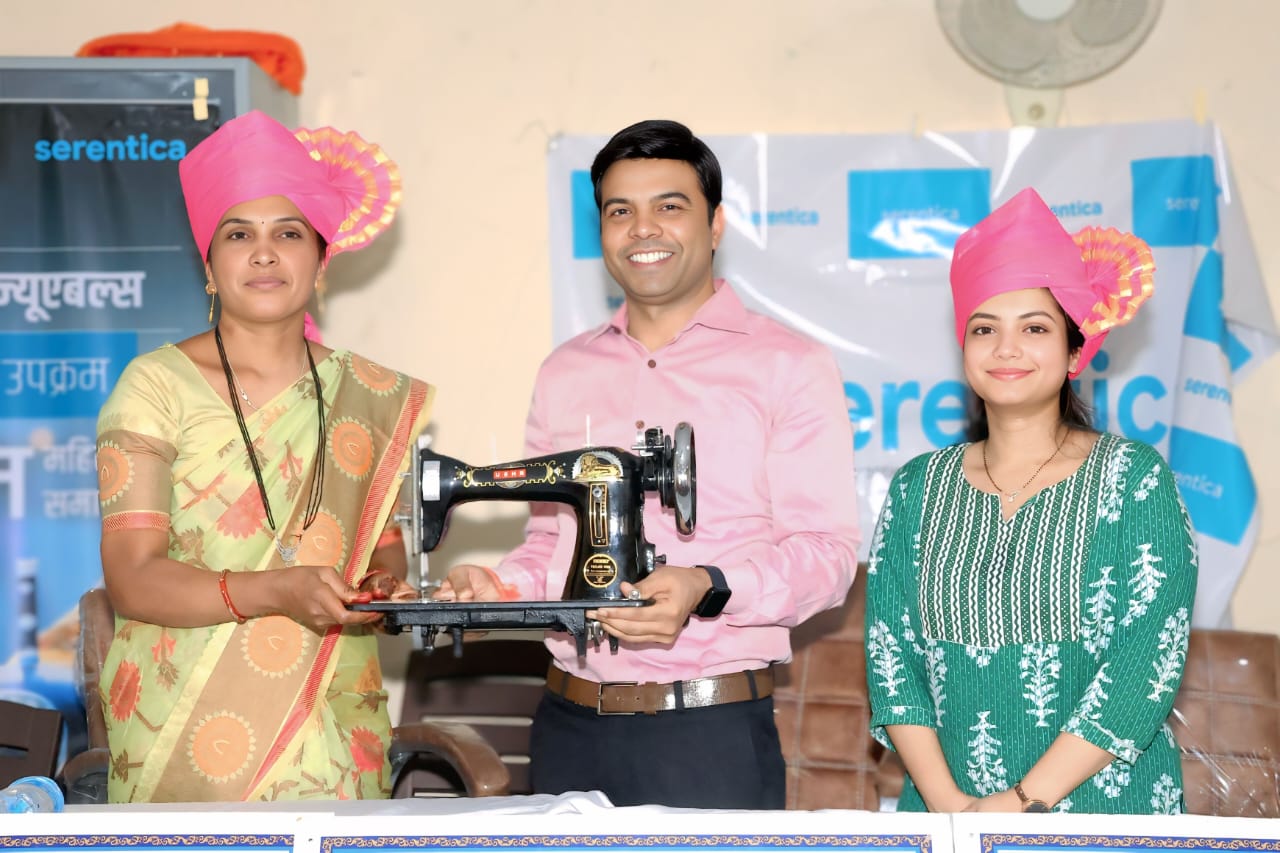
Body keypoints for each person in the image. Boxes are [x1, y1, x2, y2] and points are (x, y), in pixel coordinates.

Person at [438, 119, 860, 809]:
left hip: (708, 737)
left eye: (669, 206)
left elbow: (827, 556)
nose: (643, 229)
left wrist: (707, 586)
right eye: (619, 211)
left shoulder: (789, 366)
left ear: (715, 223)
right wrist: (497, 584)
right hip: (569, 726)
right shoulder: (565, 372)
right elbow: (550, 543)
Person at [94, 110, 431, 803]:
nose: (265, 253)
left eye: (289, 233)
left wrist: (380, 588)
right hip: (183, 727)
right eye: (239, 234)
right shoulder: (154, 387)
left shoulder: (366, 393)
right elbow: (132, 578)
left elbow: (384, 550)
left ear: (322, 260)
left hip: (334, 720)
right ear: (209, 264)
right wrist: (276, 590)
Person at [865, 187, 1198, 814]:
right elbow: (892, 661)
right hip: (947, 819)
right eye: (984, 329)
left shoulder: (1135, 480)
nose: (1006, 348)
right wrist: (953, 810)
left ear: (1074, 351)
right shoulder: (916, 489)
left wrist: (1020, 804)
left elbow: (1142, 668)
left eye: (1035, 328)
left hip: (1105, 817)